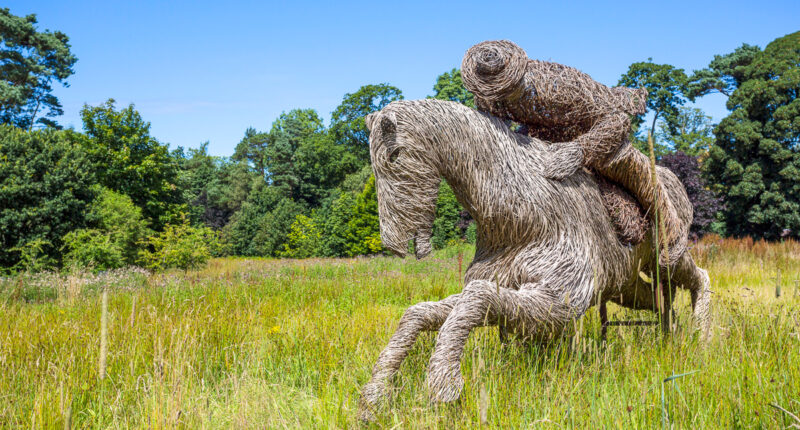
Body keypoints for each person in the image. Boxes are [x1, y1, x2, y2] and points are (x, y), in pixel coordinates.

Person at [462, 40, 687, 264]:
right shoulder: (489, 98)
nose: (503, 96)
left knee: (638, 173)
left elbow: (617, 121)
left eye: (508, 88)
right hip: (543, 141)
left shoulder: (561, 85)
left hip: (596, 138)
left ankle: (672, 230)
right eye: (498, 91)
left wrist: (580, 150)